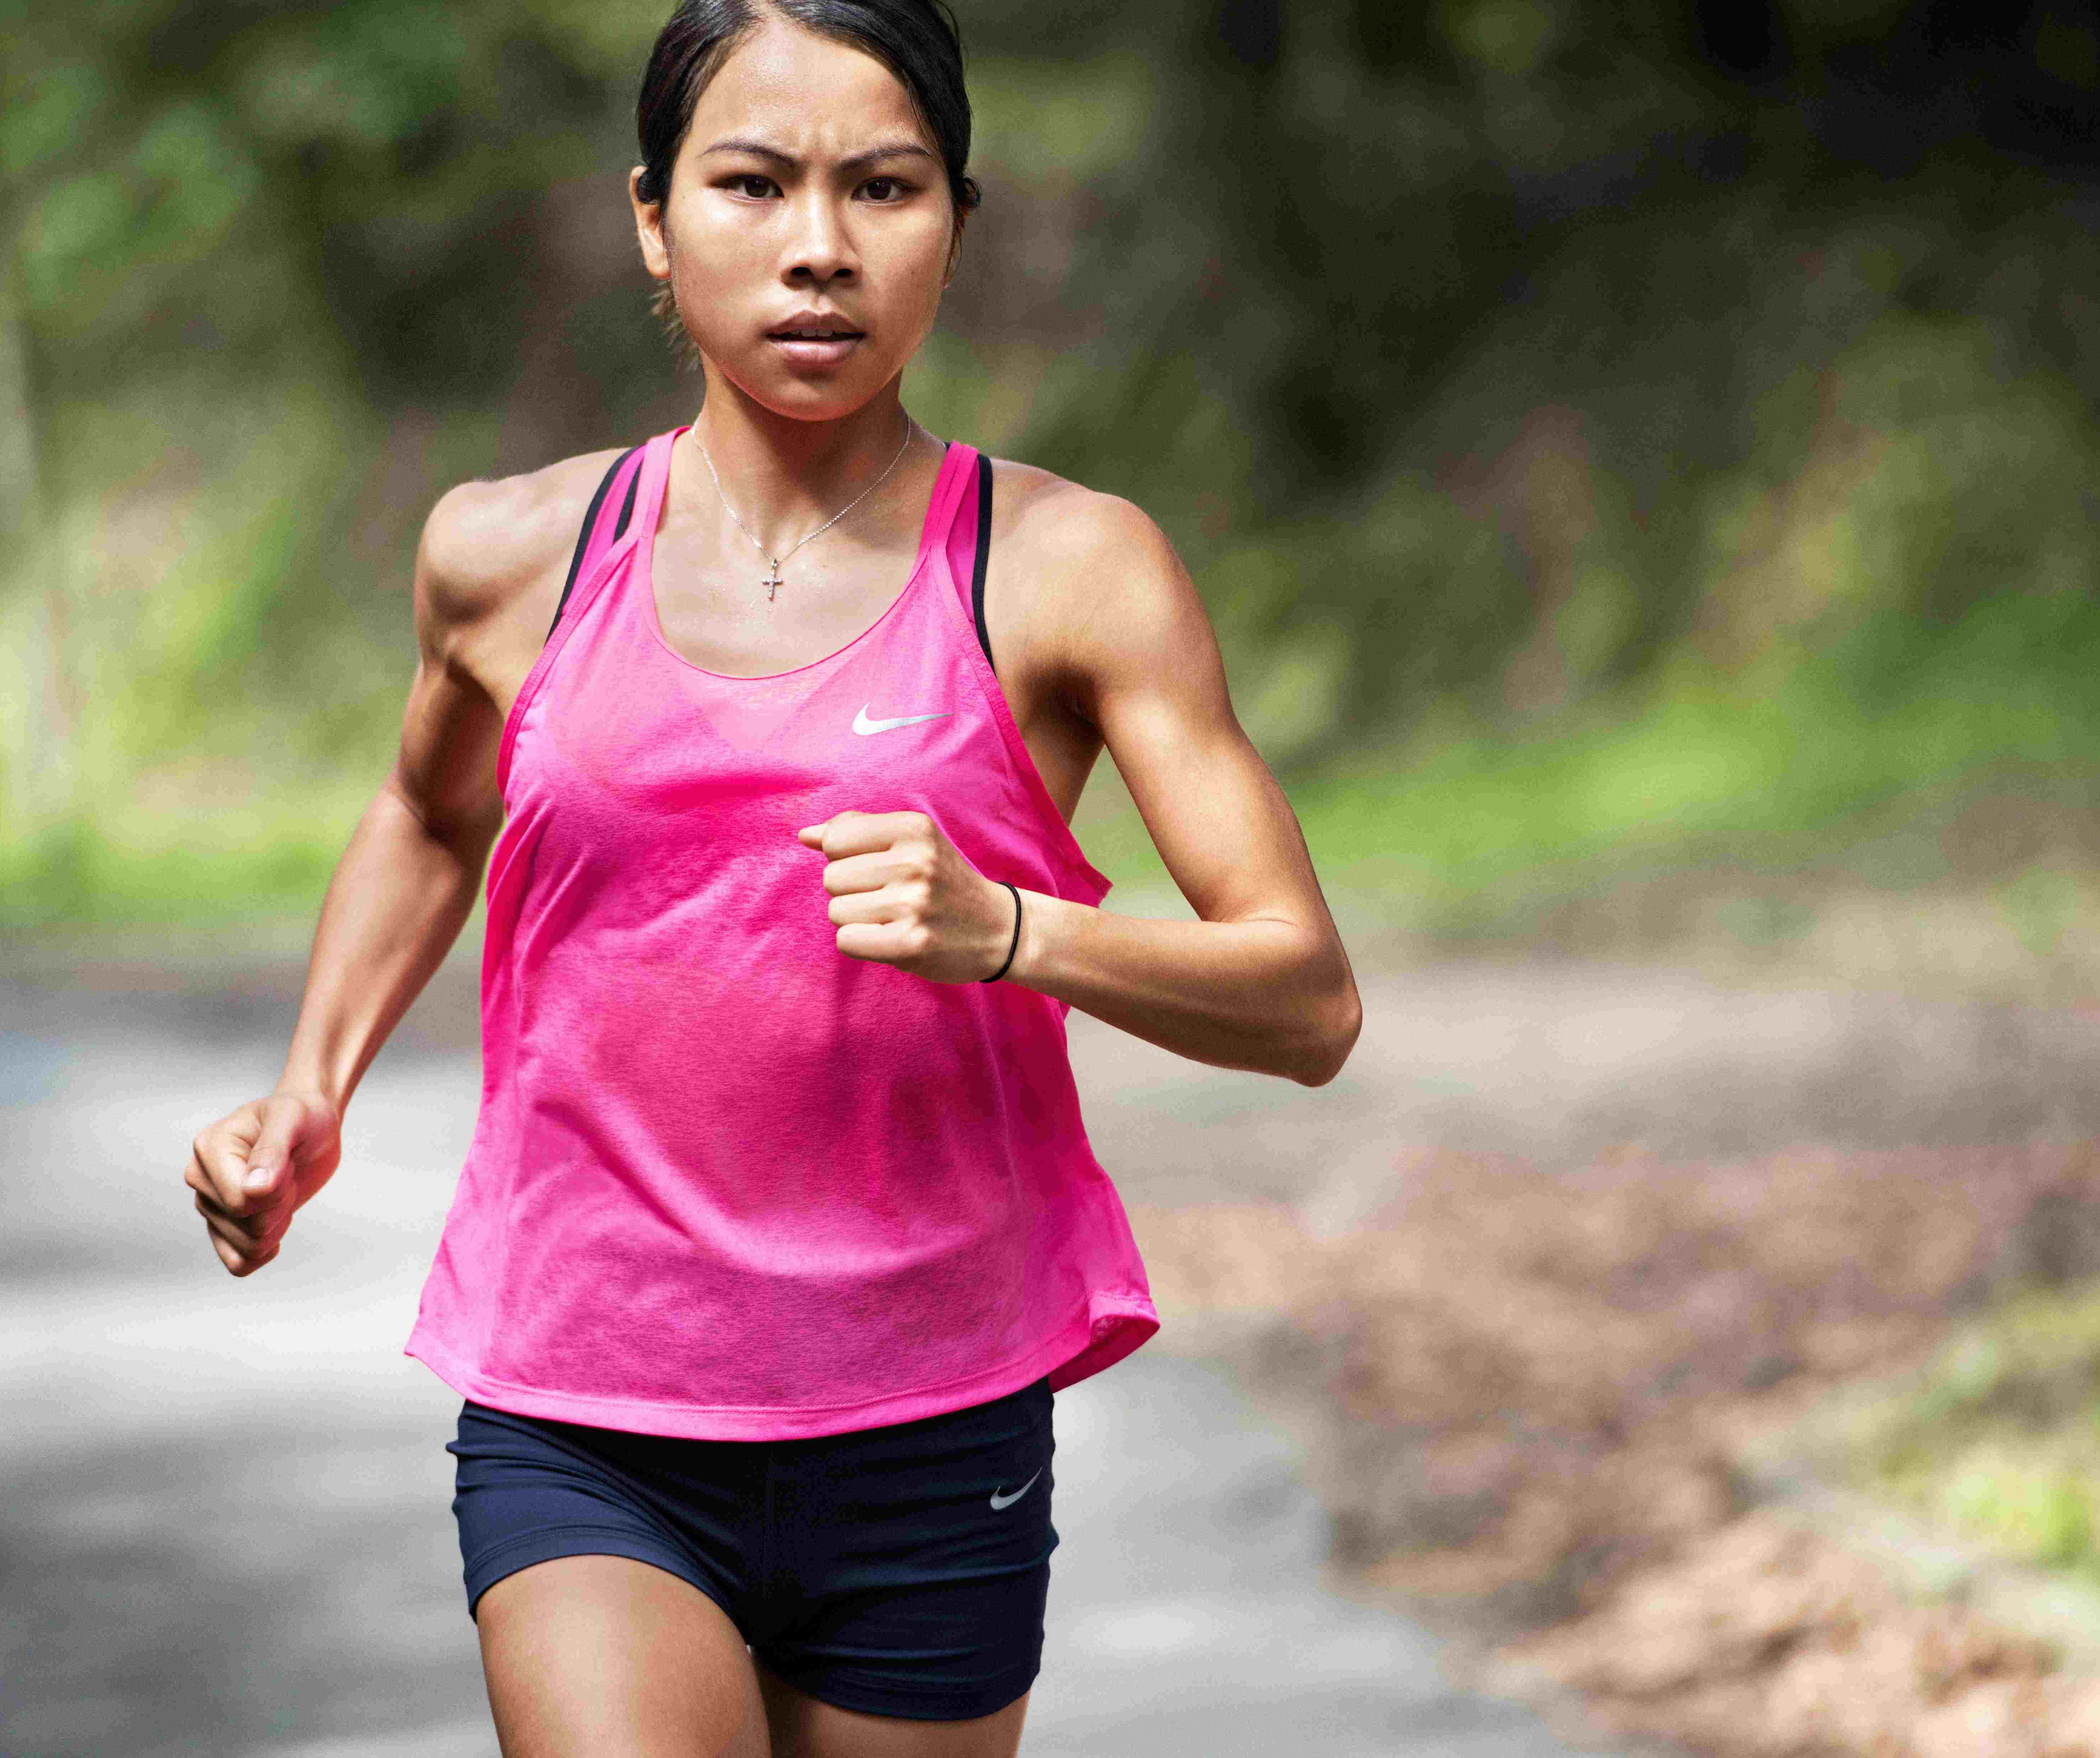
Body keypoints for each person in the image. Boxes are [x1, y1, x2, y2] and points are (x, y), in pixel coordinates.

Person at [182, 1, 1363, 1752]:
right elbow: (431, 814)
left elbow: (1307, 999)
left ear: (956, 222)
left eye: (883, 190)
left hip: (929, 1414)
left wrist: (1016, 930)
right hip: (584, 1401)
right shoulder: (508, 555)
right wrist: (311, 1086)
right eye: (752, 185)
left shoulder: (1063, 570)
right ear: (653, 219)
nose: (819, 249)